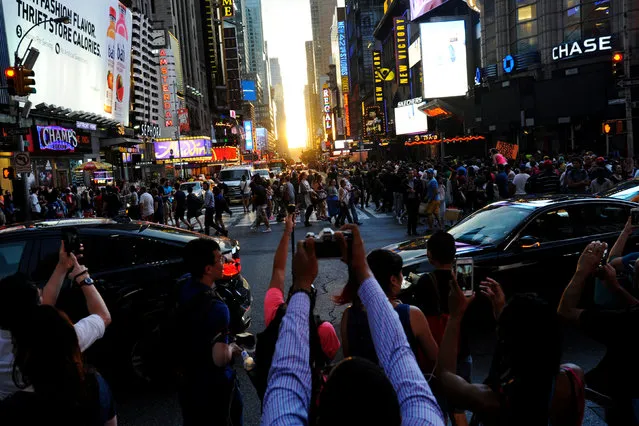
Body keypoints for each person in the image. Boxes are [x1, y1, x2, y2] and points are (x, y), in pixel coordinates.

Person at [261, 225, 445, 425]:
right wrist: (363, 271)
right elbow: (398, 353)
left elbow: (287, 375)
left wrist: (302, 284)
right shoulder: (425, 421)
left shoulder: (349, 315)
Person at [438, 279, 585, 426]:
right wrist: (503, 318)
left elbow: (445, 376)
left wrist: (455, 317)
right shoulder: (573, 376)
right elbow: (523, 350)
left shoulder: (490, 400)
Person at [0, 241, 111, 400]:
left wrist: (61, 266)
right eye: (40, 295)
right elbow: (103, 316)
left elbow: (41, 307)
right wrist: (83, 277)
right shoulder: (60, 338)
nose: (43, 296)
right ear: (36, 307)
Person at [558, 241, 639, 425]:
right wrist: (616, 288)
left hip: (627, 399)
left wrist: (581, 271)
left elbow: (566, 311)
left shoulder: (625, 324)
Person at [0, 305, 117, 425]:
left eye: (15, 345)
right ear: (73, 342)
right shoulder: (96, 385)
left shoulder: (13, 409)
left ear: (25, 355)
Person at [176, 239, 243, 425]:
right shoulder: (217, 308)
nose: (224, 263)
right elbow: (219, 357)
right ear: (207, 269)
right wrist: (232, 348)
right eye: (220, 259)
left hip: (188, 380)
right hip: (215, 386)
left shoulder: (182, 285)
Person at [338, 249, 438, 372]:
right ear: (393, 280)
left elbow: (349, 360)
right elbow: (435, 359)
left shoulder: (349, 315)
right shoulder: (412, 314)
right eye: (401, 273)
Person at [404, 170, 423, 236]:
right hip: (408, 200)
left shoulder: (417, 181)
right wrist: (407, 190)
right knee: (410, 216)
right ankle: (409, 230)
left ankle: (414, 230)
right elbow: (402, 189)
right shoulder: (405, 181)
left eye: (412, 173)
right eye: (409, 173)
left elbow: (420, 190)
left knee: (415, 216)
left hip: (415, 200)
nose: (411, 175)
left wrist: (415, 191)